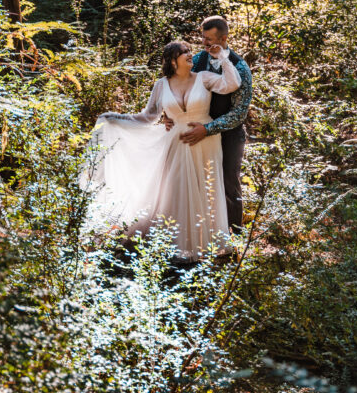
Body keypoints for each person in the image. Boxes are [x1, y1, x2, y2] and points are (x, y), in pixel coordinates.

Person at [84, 39, 242, 261]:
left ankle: (206, 247)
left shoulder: (203, 78)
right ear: (172, 60)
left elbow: (232, 84)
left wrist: (223, 58)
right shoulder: (161, 85)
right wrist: (114, 118)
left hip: (205, 142)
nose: (190, 54)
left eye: (190, 51)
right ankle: (176, 246)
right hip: (176, 143)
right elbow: (147, 117)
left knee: (206, 189)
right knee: (176, 192)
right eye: (184, 52)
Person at [165, 16, 252, 232]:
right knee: (197, 182)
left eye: (209, 39)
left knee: (228, 183)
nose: (204, 43)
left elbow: (239, 113)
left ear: (224, 38)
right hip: (197, 131)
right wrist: (170, 114)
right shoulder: (196, 60)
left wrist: (208, 129)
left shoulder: (240, 67)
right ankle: (202, 233)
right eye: (202, 38)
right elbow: (178, 87)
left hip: (228, 135)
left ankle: (235, 235)